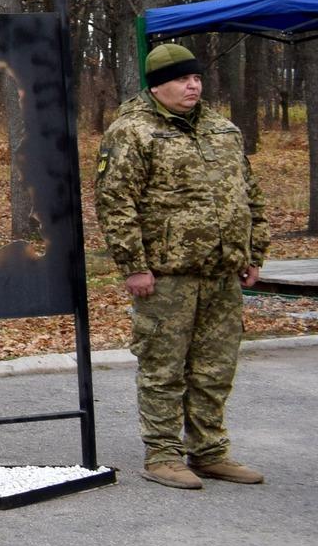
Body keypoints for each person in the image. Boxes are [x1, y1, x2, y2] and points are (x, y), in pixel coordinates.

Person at [96, 43, 269, 490]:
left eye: (195, 78)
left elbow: (248, 193)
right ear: (157, 85)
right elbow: (116, 203)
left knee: (215, 368)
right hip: (166, 275)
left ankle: (210, 452)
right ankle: (163, 454)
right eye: (180, 79)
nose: (192, 86)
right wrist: (134, 265)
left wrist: (254, 252)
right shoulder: (132, 131)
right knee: (163, 367)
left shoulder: (222, 129)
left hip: (221, 272)